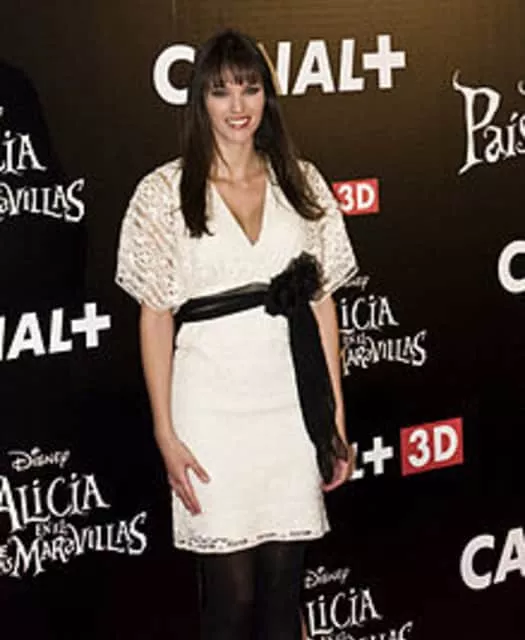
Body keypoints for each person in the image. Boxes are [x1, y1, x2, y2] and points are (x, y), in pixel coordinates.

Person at [116, 28, 358, 640]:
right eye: (221, 91)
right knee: (230, 601)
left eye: (250, 88)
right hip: (211, 413)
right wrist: (164, 431)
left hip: (290, 408)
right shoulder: (164, 193)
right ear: (200, 99)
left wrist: (332, 420)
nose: (237, 106)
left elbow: (322, 305)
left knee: (283, 594)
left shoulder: (301, 182)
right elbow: (154, 316)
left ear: (266, 96)